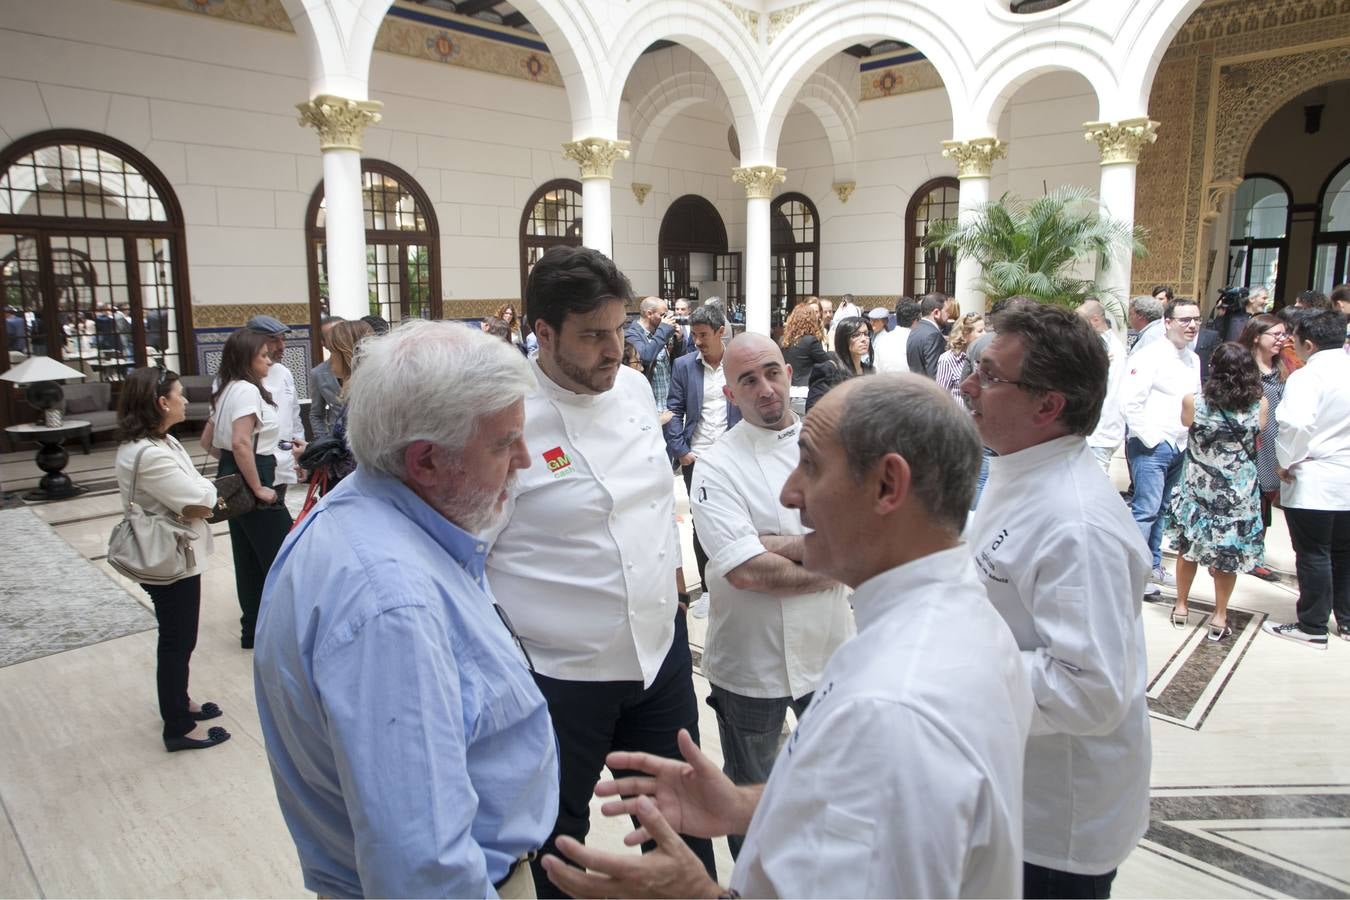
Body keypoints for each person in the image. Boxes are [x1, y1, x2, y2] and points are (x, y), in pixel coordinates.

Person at [542, 375, 1033, 899]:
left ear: (889, 485)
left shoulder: (894, 703)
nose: (789, 492)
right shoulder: (951, 621)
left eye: (812, 466)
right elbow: (867, 806)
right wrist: (747, 805)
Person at [254, 321, 557, 898]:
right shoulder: (392, 605)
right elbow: (423, 868)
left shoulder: (370, 512)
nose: (524, 459)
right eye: (503, 442)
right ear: (426, 460)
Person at [485, 245, 717, 896]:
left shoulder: (637, 389)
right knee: (557, 837)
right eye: (593, 336)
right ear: (544, 333)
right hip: (560, 675)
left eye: (618, 330)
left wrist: (673, 594)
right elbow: (470, 557)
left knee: (680, 816)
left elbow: (650, 508)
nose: (614, 349)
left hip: (657, 655)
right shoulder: (504, 417)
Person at [962, 303, 1152, 899]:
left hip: (1053, 824)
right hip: (1008, 787)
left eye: (990, 376)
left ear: (1048, 406)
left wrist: (949, 668)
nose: (968, 385)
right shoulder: (1020, 468)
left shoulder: (1076, 523)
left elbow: (1089, 690)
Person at [689, 333, 853, 858]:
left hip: (829, 654)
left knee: (834, 785)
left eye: (771, 372)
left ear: (788, 372)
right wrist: (836, 557)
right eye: (747, 380)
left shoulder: (833, 446)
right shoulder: (716, 466)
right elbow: (746, 573)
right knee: (750, 793)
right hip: (750, 662)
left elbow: (864, 536)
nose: (764, 388)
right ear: (730, 395)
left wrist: (772, 542)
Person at [114, 366, 229, 753]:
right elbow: (198, 499)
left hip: (178, 549)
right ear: (161, 402)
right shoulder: (146, 454)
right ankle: (177, 727)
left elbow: (196, 487)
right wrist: (205, 491)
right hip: (166, 557)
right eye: (179, 394)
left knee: (183, 638)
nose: (185, 400)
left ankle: (182, 703)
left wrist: (202, 489)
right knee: (177, 640)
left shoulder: (162, 442)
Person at [1166, 343, 1267, 640]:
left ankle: (1181, 606)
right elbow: (1258, 431)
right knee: (1227, 557)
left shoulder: (1193, 402)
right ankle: (1220, 615)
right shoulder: (1258, 405)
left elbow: (1186, 424)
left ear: (1214, 369)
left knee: (1188, 549)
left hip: (1199, 489)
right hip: (1238, 493)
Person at [201, 328, 294, 649]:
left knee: (250, 559)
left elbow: (208, 441)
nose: (270, 360)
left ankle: (253, 629)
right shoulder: (244, 391)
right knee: (287, 556)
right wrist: (257, 485)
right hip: (256, 478)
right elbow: (242, 442)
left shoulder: (227, 389)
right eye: (264, 355)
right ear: (246, 358)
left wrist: (231, 466)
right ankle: (287, 634)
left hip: (237, 474)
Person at [1262, 310, 1350, 648]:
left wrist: (1285, 461)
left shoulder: (1307, 377)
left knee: (1314, 552)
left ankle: (1312, 626)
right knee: (1344, 552)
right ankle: (1346, 620)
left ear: (1308, 344)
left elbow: (1296, 424)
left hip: (1315, 475)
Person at [664, 304, 741, 618]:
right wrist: (682, 450)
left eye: (703, 335)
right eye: (694, 334)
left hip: (735, 457)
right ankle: (709, 591)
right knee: (701, 525)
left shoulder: (737, 362)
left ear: (721, 332)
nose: (697, 340)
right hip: (699, 457)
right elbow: (673, 409)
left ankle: (735, 586)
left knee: (737, 520)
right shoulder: (684, 365)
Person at [1122, 298, 1202, 596]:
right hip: (1152, 446)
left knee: (1163, 510)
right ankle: (1134, 575)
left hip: (1180, 444)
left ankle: (1153, 565)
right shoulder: (1149, 355)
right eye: (1184, 320)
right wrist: (1151, 438)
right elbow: (1129, 401)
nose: (1192, 325)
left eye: (1196, 319)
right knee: (1145, 510)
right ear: (1168, 323)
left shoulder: (1193, 359)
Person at [1237, 314, 1293, 581]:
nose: (1281, 340)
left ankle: (1255, 553)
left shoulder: (1284, 369)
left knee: (1264, 502)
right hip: (1248, 444)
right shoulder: (1244, 369)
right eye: (1276, 335)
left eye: (1284, 335)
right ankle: (1245, 554)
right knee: (1248, 500)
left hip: (1275, 444)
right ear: (1257, 336)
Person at [245, 315, 306, 499]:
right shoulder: (236, 379)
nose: (281, 346)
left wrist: (300, 457)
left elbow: (294, 417)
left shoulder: (284, 372)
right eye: (274, 340)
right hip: (256, 466)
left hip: (284, 462)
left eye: (283, 339)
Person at [1078, 298, 1128, 471]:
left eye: (1081, 322)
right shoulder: (1098, 345)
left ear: (1096, 319)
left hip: (1101, 430)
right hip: (1095, 428)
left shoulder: (1108, 348)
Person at [805, 314, 871, 414]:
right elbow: (813, 412)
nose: (864, 339)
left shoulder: (870, 371)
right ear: (844, 339)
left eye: (866, 334)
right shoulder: (828, 371)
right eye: (856, 335)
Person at [625, 295, 677, 410]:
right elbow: (646, 357)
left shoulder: (659, 332)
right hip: (650, 405)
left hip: (667, 405)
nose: (665, 319)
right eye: (662, 315)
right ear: (649, 314)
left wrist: (679, 339)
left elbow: (675, 362)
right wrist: (663, 330)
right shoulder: (632, 334)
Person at [779, 300, 827, 416]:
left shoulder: (783, 341)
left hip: (789, 394)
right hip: (806, 394)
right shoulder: (810, 341)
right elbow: (826, 363)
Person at [308, 315, 343, 442]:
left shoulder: (365, 366)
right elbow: (316, 414)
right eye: (331, 336)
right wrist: (323, 442)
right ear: (324, 343)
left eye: (342, 333)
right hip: (338, 442)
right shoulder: (318, 373)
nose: (338, 339)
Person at [935, 312, 983, 398]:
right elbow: (940, 396)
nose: (985, 334)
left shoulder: (983, 357)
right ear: (965, 334)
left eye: (984, 329)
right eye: (980, 331)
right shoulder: (947, 360)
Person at [905, 292, 948, 377]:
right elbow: (935, 374)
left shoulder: (915, 330)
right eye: (947, 311)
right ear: (936, 313)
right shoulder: (933, 335)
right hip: (928, 388)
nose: (948, 315)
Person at [872, 296, 917, 374]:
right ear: (916, 320)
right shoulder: (915, 341)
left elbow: (876, 369)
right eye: (871, 320)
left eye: (876, 321)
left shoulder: (882, 340)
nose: (872, 324)